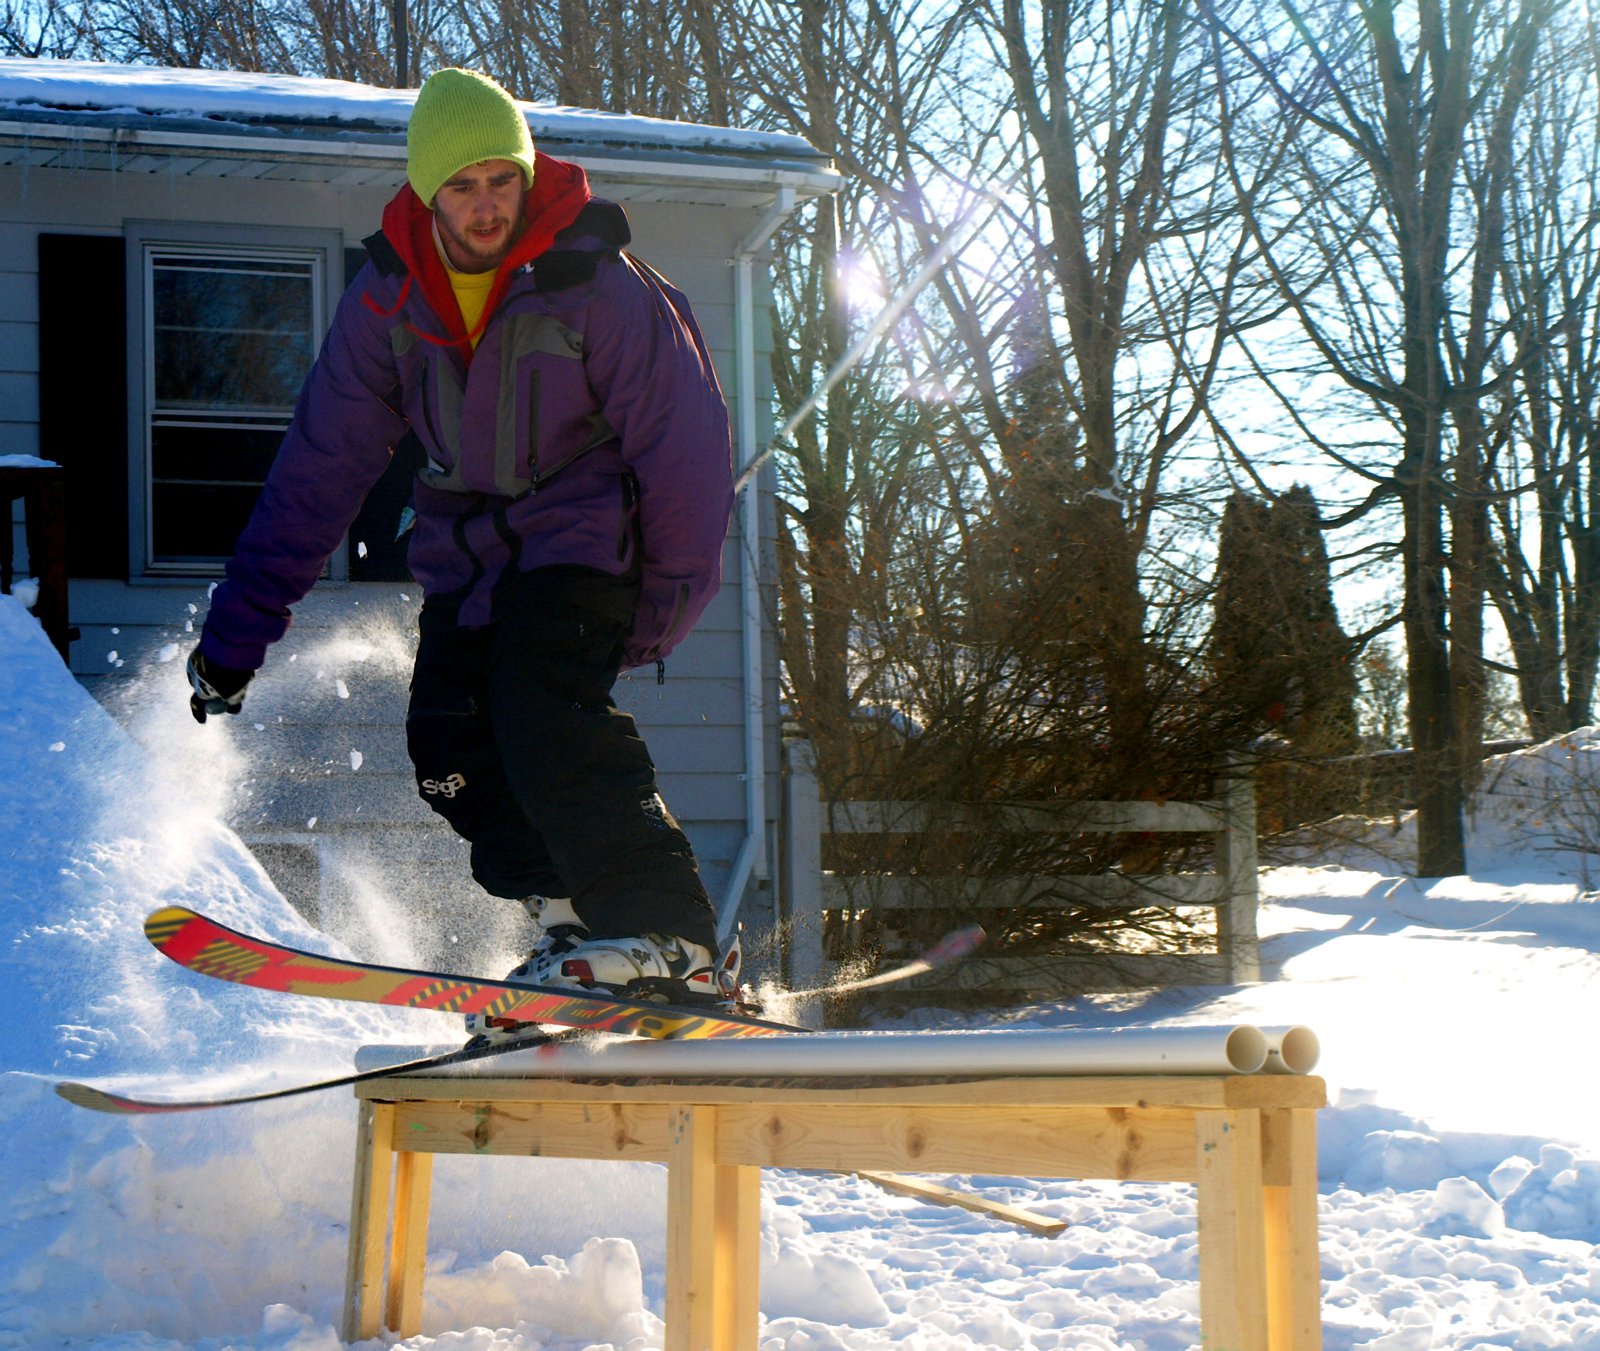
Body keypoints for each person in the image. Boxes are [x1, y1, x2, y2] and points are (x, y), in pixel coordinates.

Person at [186, 68, 737, 1031]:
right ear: (426, 194)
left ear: (526, 178)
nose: (486, 207)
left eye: (501, 180)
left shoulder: (593, 281)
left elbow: (685, 446)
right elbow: (319, 470)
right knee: (446, 745)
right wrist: (235, 639)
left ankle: (671, 935)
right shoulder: (388, 303)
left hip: (585, 542)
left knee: (540, 709)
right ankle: (569, 919)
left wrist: (670, 597)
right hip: (470, 557)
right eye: (462, 187)